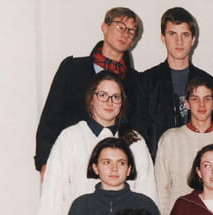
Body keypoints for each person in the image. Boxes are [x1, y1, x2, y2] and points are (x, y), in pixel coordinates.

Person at [37, 71, 156, 215]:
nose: (109, 102)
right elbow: (53, 194)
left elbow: (147, 193)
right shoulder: (71, 137)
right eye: (102, 95)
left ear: (123, 102)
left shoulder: (135, 141)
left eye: (116, 97)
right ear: (91, 99)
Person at [35, 7, 141, 177]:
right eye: (120, 26)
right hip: (71, 161)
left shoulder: (136, 81)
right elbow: (51, 118)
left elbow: (137, 127)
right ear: (104, 27)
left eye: (131, 31)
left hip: (115, 170)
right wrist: (45, 162)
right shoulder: (72, 69)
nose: (125, 34)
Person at [134, 7, 213, 159]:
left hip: (203, 166)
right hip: (159, 164)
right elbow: (137, 135)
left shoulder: (210, 84)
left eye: (185, 35)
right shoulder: (146, 82)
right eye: (172, 34)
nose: (179, 41)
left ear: (193, 39)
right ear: (163, 38)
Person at [154, 76, 213, 215]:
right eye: (195, 99)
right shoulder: (170, 139)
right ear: (187, 103)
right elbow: (161, 188)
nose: (201, 105)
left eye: (207, 99)